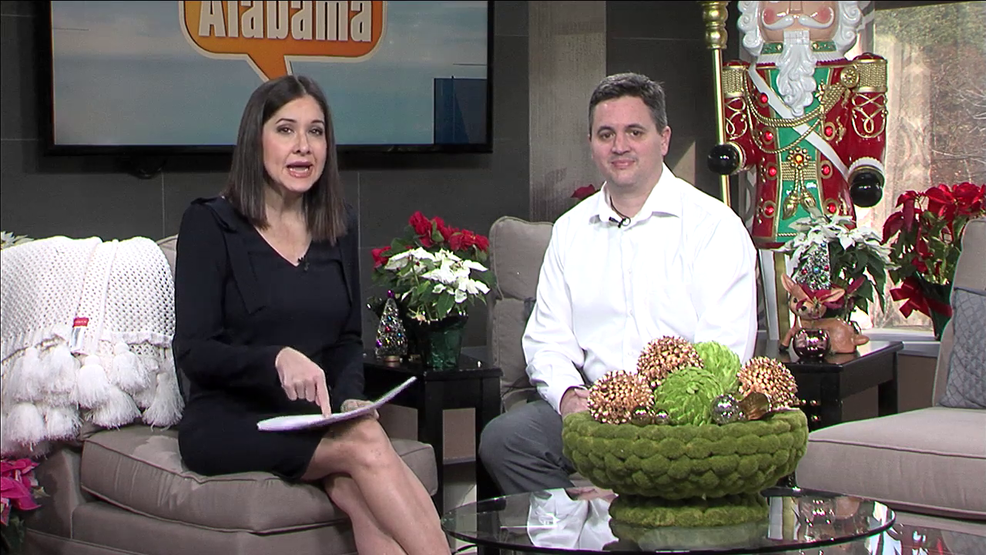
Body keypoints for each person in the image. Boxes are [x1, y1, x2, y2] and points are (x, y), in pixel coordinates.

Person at [173, 75, 450, 555]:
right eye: (286, 130)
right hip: (231, 420)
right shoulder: (210, 224)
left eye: (315, 132)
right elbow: (194, 352)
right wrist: (274, 359)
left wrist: (349, 398)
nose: (303, 146)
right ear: (256, 140)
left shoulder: (337, 225)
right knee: (364, 444)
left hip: (308, 418)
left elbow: (346, 340)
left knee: (357, 490)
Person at [478, 72, 759, 495]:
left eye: (634, 132)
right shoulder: (571, 231)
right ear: (591, 144)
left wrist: (662, 418)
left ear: (663, 139)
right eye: (606, 134)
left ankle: (629, 503)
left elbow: (724, 353)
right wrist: (569, 398)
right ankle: (584, 522)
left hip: (682, 418)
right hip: (596, 410)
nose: (619, 146)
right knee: (507, 440)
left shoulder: (714, 227)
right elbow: (548, 340)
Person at [708, 0, 887, 249]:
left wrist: (866, 172)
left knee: (831, 272)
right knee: (774, 273)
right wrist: (733, 153)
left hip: (833, 218)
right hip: (772, 216)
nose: (795, 9)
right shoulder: (746, 76)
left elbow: (865, 135)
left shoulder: (856, 73)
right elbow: (745, 138)